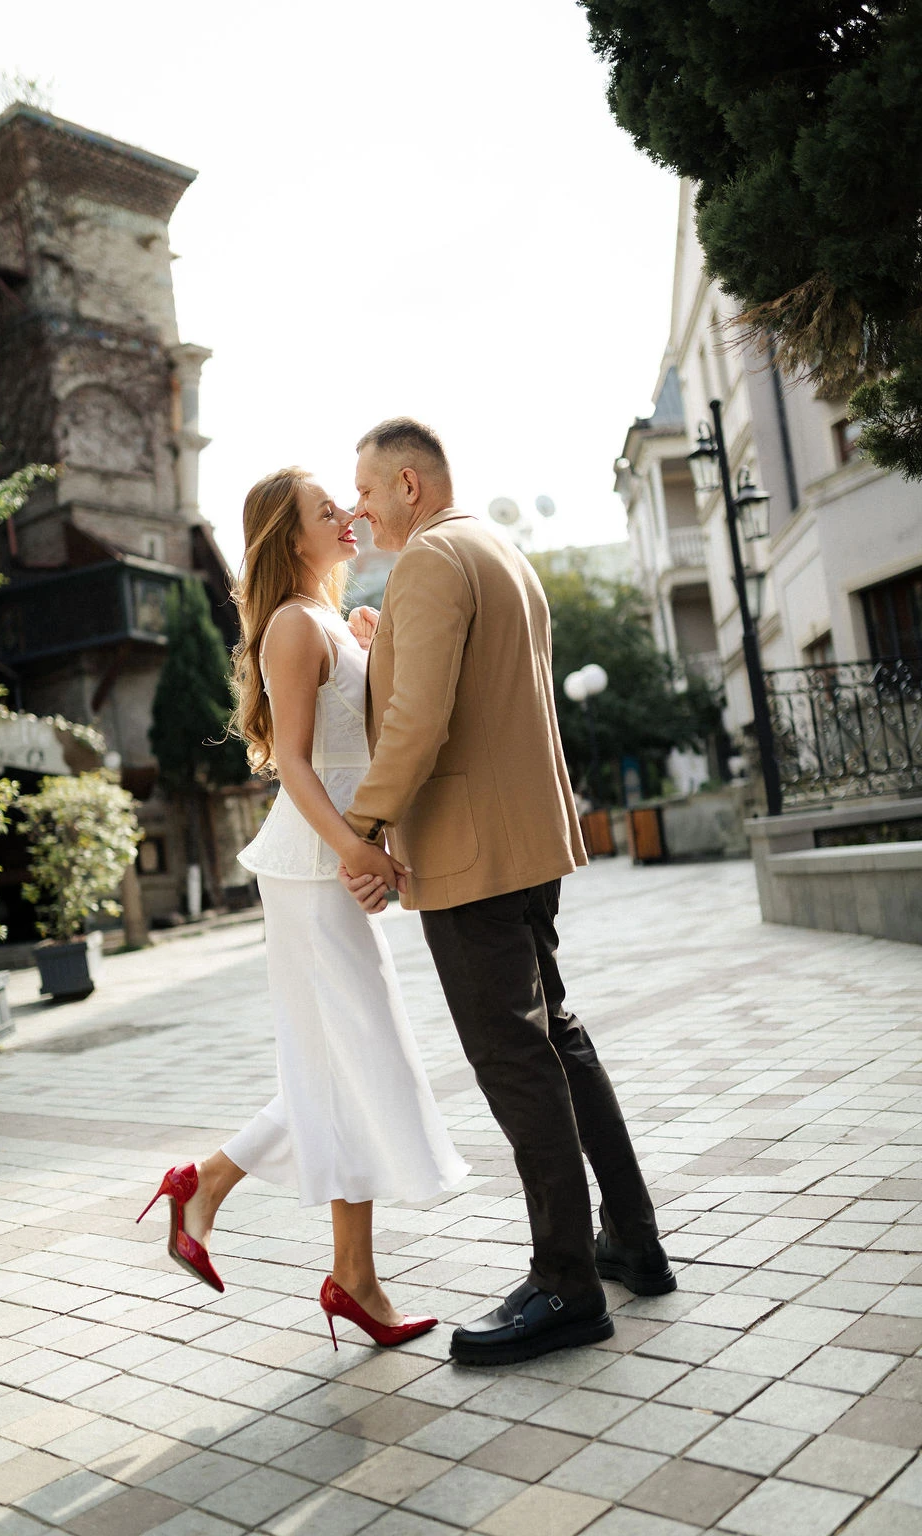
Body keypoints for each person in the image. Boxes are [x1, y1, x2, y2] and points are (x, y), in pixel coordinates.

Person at [338, 418, 674, 1367]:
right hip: (525, 846)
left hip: (472, 856)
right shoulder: (495, 548)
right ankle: (633, 1240)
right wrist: (385, 640)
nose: (357, 508)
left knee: (515, 1059)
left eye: (365, 489)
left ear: (408, 482)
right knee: (557, 1037)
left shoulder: (432, 562)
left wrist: (362, 828)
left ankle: (566, 1284)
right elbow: (465, 693)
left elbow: (421, 721)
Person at [138, 466, 469, 1350]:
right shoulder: (290, 623)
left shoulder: (326, 619)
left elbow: (356, 729)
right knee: (355, 1060)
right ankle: (258, 1220)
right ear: (292, 536)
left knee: (341, 1065)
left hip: (333, 860)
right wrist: (358, 848)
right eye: (330, 511)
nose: (350, 515)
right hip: (311, 866)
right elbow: (292, 759)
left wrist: (364, 638)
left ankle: (292, 1240)